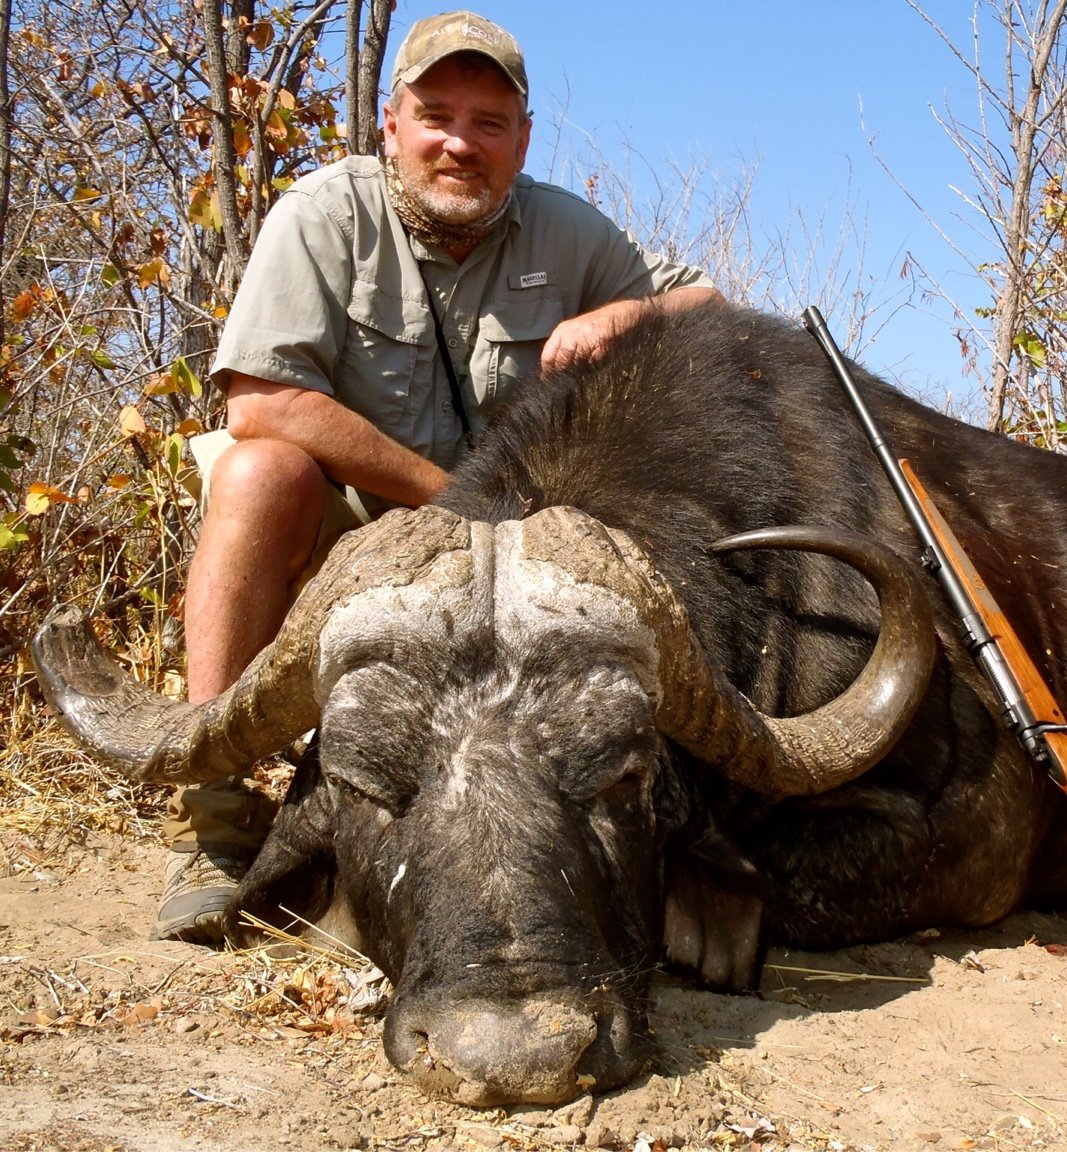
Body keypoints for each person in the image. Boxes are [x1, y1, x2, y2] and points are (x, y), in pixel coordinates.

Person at [156, 11, 722, 944]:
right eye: (438, 116)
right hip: (360, 533)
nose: (461, 143)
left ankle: (629, 827)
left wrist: (615, 322)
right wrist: (448, 505)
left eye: (489, 124)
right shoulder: (325, 213)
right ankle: (212, 826)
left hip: (514, 555)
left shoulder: (563, 227)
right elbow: (259, 403)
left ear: (522, 139)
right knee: (257, 474)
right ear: (391, 124)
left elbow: (703, 301)